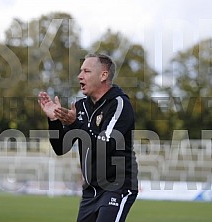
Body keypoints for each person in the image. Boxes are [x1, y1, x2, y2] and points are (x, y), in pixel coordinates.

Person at [38, 53, 138, 222]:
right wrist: (54, 120)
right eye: (80, 71)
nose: (80, 76)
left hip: (117, 187)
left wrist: (76, 123)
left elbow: (105, 145)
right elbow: (60, 148)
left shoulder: (119, 104)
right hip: (90, 192)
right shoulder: (80, 106)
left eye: (86, 71)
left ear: (103, 75)